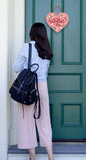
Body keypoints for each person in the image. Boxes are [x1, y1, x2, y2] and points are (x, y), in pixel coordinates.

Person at [12, 23, 54, 160]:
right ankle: (51, 156)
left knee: (26, 121)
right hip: (42, 86)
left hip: (28, 88)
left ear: (32, 33)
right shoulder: (47, 49)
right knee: (44, 121)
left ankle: (33, 156)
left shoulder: (27, 47)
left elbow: (16, 68)